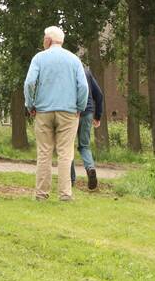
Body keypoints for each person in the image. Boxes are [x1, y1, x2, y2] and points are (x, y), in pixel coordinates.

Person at [24, 25, 88, 201]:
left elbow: (29, 83)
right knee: (65, 153)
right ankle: (65, 194)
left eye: (44, 38)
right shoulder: (74, 60)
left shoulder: (39, 58)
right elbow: (83, 86)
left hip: (43, 110)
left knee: (44, 152)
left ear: (48, 40)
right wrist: (80, 107)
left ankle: (41, 194)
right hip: (68, 112)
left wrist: (31, 105)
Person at [71, 63, 104, 191]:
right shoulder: (87, 73)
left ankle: (71, 179)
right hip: (88, 112)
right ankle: (90, 168)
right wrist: (98, 116)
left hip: (72, 113)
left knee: (68, 146)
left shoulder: (69, 73)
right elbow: (99, 94)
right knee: (84, 145)